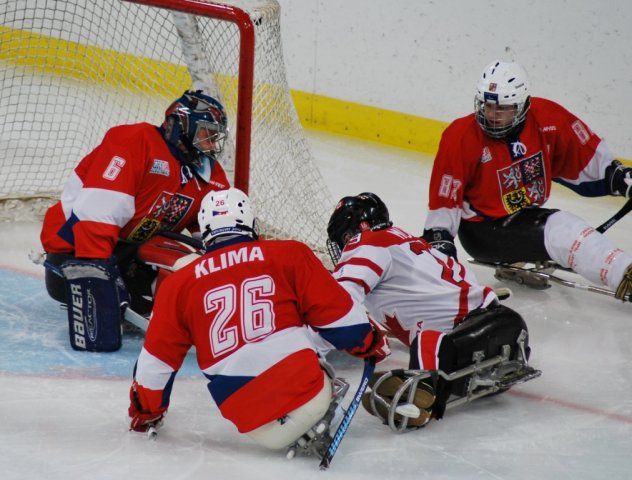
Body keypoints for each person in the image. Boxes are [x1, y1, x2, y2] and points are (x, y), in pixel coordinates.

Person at [128, 188, 389, 456]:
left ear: (204, 232)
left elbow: (155, 364)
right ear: (252, 224)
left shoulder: (176, 286)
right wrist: (368, 342)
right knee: (302, 337)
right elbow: (343, 322)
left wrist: (146, 413)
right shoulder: (289, 253)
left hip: (254, 424)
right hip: (310, 396)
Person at [422, 60, 632, 300]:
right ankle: (623, 272)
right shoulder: (460, 137)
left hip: (524, 214)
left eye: (503, 108)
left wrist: (621, 179)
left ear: (523, 105)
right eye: (487, 105)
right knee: (562, 229)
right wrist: (439, 247)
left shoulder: (548, 119)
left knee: (560, 228)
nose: (492, 115)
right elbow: (444, 202)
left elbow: (585, 159)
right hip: (483, 232)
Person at [40, 90, 231, 351]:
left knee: (189, 259)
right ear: (181, 126)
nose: (211, 143)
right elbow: (96, 214)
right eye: (205, 133)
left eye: (214, 136)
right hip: (77, 255)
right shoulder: (135, 142)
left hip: (132, 255)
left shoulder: (210, 174)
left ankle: (156, 304)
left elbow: (218, 232)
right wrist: (97, 274)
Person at [327, 192, 535, 428]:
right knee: (428, 338)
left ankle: (420, 390)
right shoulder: (408, 243)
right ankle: (428, 383)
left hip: (455, 340)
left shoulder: (366, 243)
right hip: (507, 327)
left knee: (427, 340)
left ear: (350, 232)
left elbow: (339, 300)